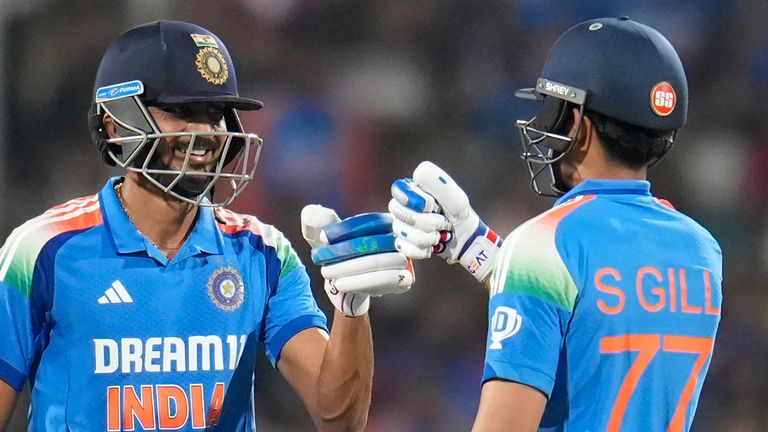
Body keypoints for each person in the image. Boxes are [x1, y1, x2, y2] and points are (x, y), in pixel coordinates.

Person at [0, 20, 413, 431]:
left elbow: (338, 419)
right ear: (115, 125)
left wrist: (351, 307)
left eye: (214, 113)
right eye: (181, 112)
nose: (204, 133)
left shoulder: (262, 252)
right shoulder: (43, 250)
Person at [389, 17, 722, 431]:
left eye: (552, 109)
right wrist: (479, 249)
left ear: (579, 124)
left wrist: (514, 260)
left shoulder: (542, 243)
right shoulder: (702, 250)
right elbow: (597, 321)